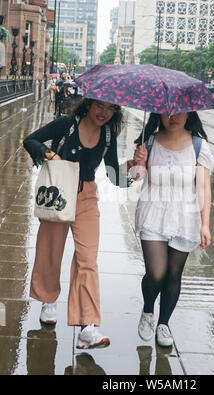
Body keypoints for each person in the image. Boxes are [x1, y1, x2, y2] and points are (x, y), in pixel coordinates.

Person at [23, 98, 137, 349]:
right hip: (59, 193)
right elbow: (30, 140)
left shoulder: (108, 134)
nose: (104, 113)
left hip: (87, 197)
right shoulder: (67, 124)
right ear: (88, 105)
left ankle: (88, 326)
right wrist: (48, 154)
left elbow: (113, 175)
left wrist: (133, 167)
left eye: (110, 108)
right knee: (50, 251)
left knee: (88, 259)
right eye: (100, 106)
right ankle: (48, 300)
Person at [132, 111, 213, 347]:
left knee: (173, 274)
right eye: (167, 112)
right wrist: (139, 161)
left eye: (179, 111)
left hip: (185, 216)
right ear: (158, 114)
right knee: (156, 272)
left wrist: (205, 224)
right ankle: (148, 310)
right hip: (153, 211)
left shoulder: (199, 147)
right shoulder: (150, 141)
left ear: (189, 114)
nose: (173, 117)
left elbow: (203, 188)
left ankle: (164, 324)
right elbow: (136, 177)